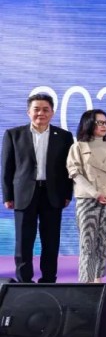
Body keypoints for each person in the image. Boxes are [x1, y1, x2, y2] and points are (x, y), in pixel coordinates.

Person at [2, 92, 74, 284]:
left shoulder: (64, 136)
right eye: (36, 109)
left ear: (52, 113)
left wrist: (68, 194)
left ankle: (49, 279)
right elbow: (7, 168)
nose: (41, 113)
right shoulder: (13, 134)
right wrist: (7, 195)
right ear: (28, 112)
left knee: (51, 241)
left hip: (53, 194)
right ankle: (24, 280)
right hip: (23, 195)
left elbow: (69, 169)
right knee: (23, 241)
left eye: (45, 109)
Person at [66, 109, 106, 284]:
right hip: (88, 200)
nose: (103, 126)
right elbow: (75, 173)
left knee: (104, 241)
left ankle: (98, 279)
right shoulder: (78, 147)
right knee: (87, 242)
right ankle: (85, 282)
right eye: (99, 122)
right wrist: (95, 193)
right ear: (88, 123)